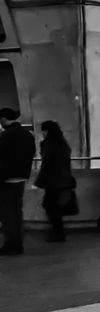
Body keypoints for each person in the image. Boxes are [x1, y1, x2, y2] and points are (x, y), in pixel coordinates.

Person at [0, 107, 37, 255]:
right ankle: (18, 242)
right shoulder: (27, 135)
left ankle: (12, 244)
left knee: (7, 213)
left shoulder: (6, 135)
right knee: (17, 211)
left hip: (6, 179)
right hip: (21, 177)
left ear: (3, 119)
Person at [36, 120, 75, 242]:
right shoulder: (63, 143)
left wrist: (39, 181)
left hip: (52, 181)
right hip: (64, 180)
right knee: (56, 207)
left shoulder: (47, 144)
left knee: (50, 206)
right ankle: (58, 232)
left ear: (47, 131)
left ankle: (57, 232)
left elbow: (46, 164)